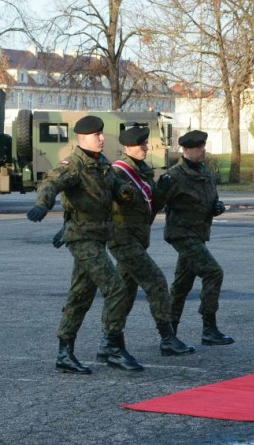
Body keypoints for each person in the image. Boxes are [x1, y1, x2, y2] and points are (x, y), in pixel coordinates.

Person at [26, 115, 143, 374]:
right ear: (82, 139)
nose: (102, 138)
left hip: (98, 237)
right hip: (82, 237)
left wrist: (126, 192)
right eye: (96, 135)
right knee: (116, 288)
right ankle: (113, 347)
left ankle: (64, 354)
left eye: (102, 134)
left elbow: (116, 187)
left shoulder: (101, 164)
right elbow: (51, 182)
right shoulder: (75, 164)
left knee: (80, 296)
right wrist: (42, 205)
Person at [106, 125, 194, 358]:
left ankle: (109, 341)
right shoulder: (117, 172)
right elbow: (100, 201)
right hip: (122, 238)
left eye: (145, 144)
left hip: (138, 238)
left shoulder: (143, 171)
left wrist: (163, 191)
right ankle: (167, 338)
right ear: (127, 148)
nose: (145, 148)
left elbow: (151, 205)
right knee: (156, 282)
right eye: (140, 145)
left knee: (125, 292)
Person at [155, 130, 234, 346]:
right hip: (182, 234)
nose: (203, 151)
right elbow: (155, 204)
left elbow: (211, 199)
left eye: (204, 146)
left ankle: (169, 335)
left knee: (182, 286)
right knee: (213, 272)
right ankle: (209, 328)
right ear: (186, 150)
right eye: (199, 147)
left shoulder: (204, 173)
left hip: (198, 235)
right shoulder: (175, 176)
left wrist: (216, 207)